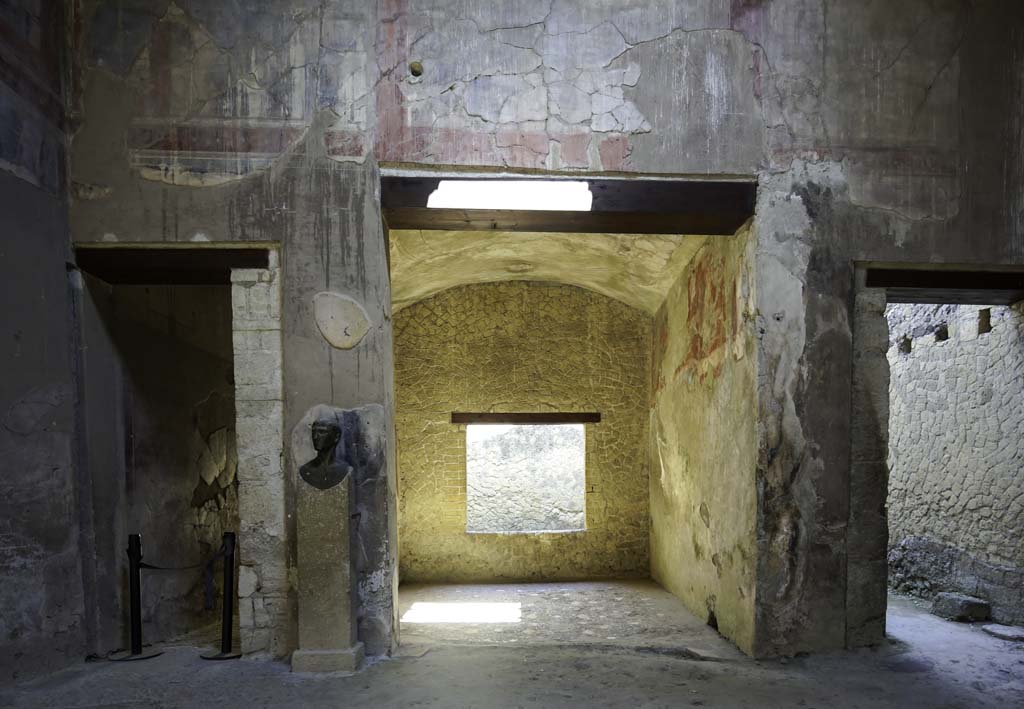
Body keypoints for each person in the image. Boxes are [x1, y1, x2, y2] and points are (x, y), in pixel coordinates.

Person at [299, 415, 353, 490]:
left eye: (322, 432)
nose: (315, 437)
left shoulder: (346, 470)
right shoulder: (304, 470)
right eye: (313, 432)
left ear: (336, 437)